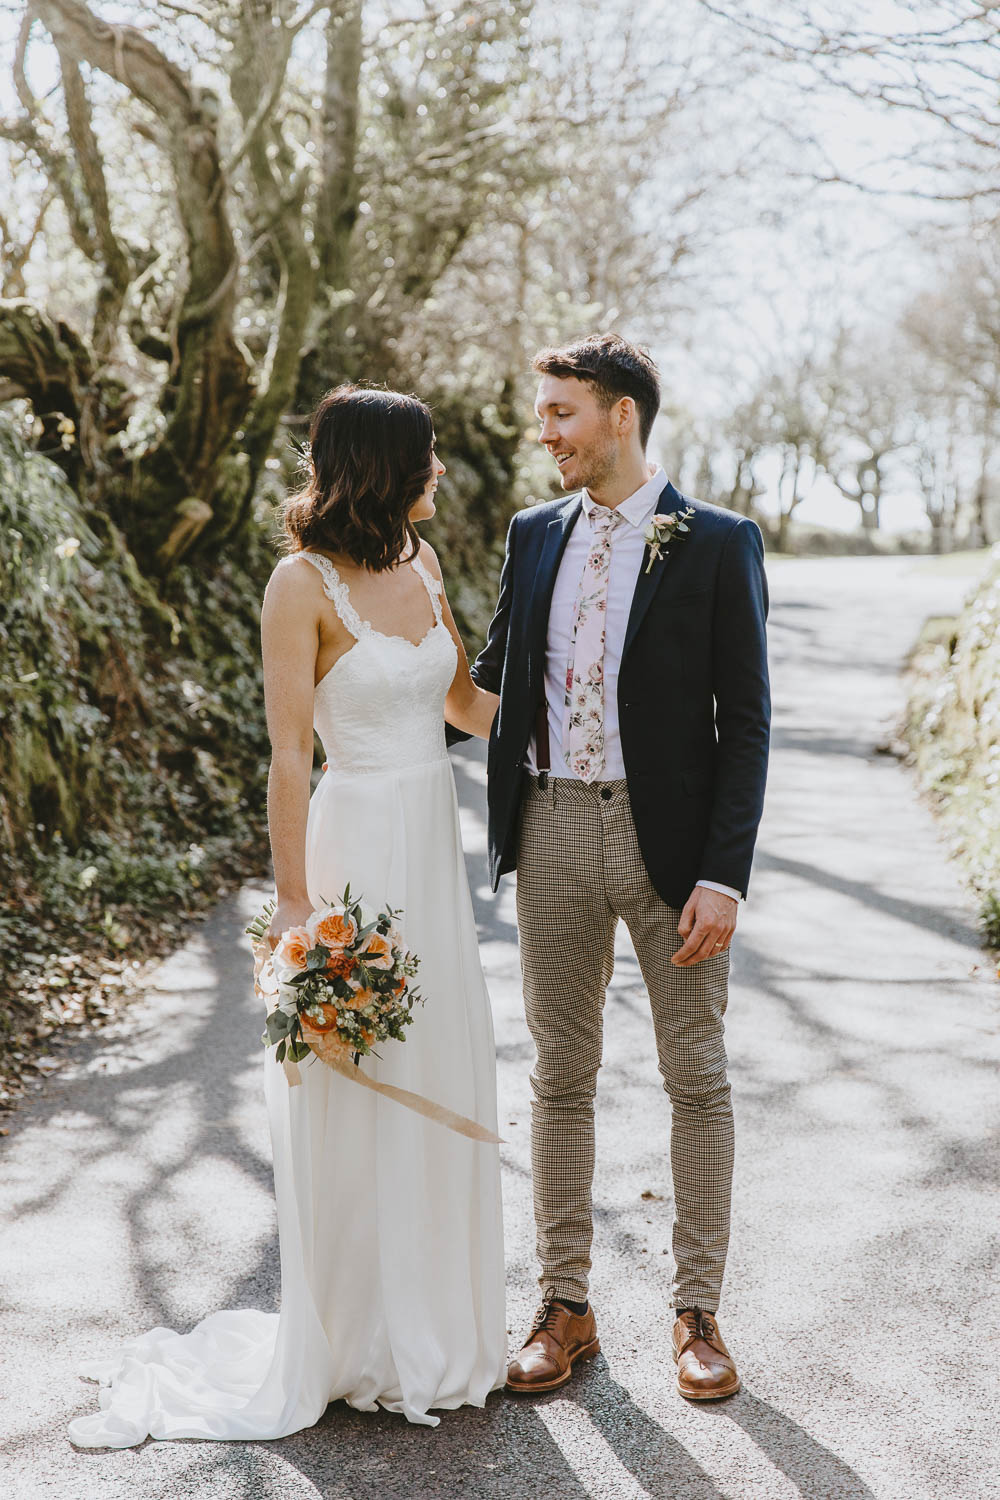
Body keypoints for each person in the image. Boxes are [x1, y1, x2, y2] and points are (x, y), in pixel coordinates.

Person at [68, 384, 506, 1447]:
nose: (442, 468)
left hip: (430, 853)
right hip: (354, 849)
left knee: (436, 1063)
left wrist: (571, 686)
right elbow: (288, 753)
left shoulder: (425, 563)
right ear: (382, 463)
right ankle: (356, 1335)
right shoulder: (296, 584)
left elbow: (462, 710)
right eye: (429, 453)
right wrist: (300, 906)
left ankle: (435, 1332)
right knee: (356, 1089)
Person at [470, 333, 770, 1401]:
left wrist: (723, 874)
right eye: (543, 412)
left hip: (674, 850)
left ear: (620, 416)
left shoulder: (719, 542)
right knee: (559, 1076)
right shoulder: (530, 532)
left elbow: (747, 723)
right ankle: (565, 1305)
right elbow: (488, 687)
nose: (542, 431)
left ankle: (696, 1312)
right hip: (548, 827)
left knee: (695, 1075)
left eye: (560, 412)